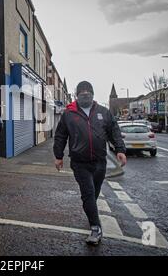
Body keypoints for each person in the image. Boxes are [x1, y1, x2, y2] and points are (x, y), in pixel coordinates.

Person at [53, 81, 127, 246]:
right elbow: (60, 136)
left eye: (88, 91)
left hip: (100, 162)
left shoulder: (103, 112)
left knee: (94, 193)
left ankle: (91, 213)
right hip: (80, 163)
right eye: (82, 92)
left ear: (92, 94)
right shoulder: (69, 114)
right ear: (77, 95)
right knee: (88, 193)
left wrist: (120, 150)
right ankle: (96, 227)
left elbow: (114, 131)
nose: (85, 94)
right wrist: (58, 156)